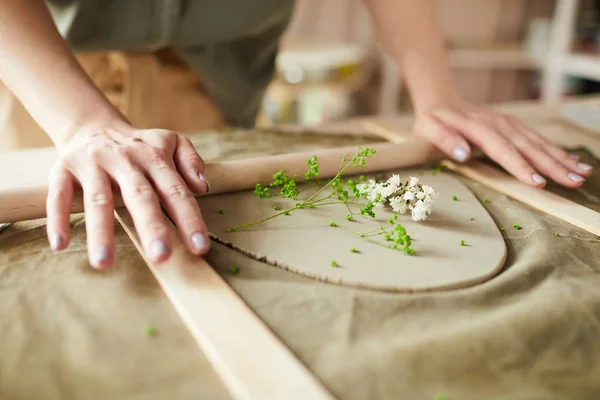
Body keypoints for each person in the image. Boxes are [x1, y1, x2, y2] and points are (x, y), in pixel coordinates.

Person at [0, 0, 593, 269]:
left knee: (196, 213)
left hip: (217, 75)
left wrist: (437, 92)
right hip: (51, 68)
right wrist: (82, 123)